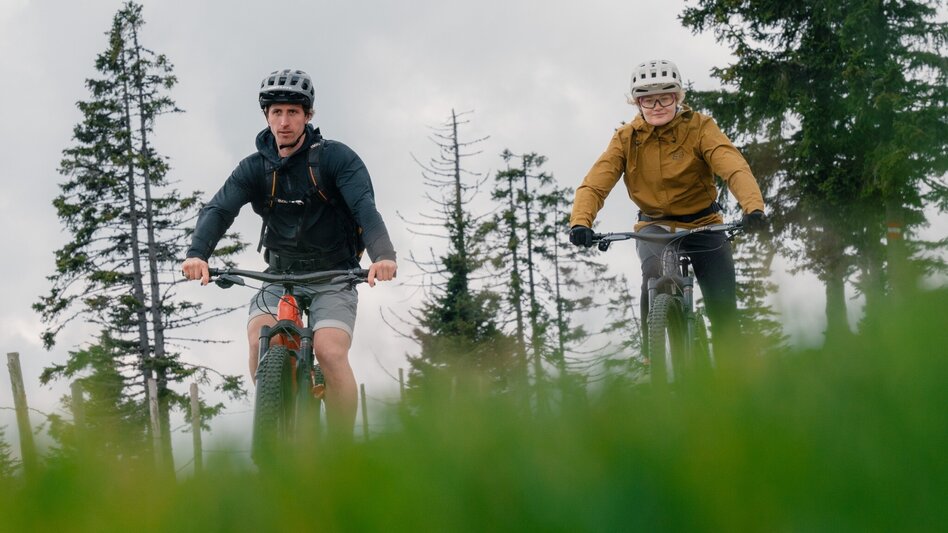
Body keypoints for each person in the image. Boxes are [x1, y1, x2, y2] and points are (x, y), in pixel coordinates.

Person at [181, 68, 397, 439]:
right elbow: (219, 209)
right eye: (277, 112)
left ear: (308, 115)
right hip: (279, 276)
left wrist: (383, 255)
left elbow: (364, 206)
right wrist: (197, 253)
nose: (284, 122)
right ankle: (279, 422)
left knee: (329, 352)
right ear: (266, 115)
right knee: (260, 341)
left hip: (334, 274)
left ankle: (343, 449)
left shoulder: (336, 159)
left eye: (293, 112)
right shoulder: (255, 168)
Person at [568, 59, 766, 358]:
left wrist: (753, 209)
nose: (657, 106)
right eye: (648, 100)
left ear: (678, 97)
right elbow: (596, 183)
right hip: (655, 226)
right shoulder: (626, 139)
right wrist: (580, 223)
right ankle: (652, 360)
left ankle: (731, 370)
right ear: (637, 103)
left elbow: (733, 166)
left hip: (704, 223)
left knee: (722, 306)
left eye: (665, 97)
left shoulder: (700, 127)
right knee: (652, 275)